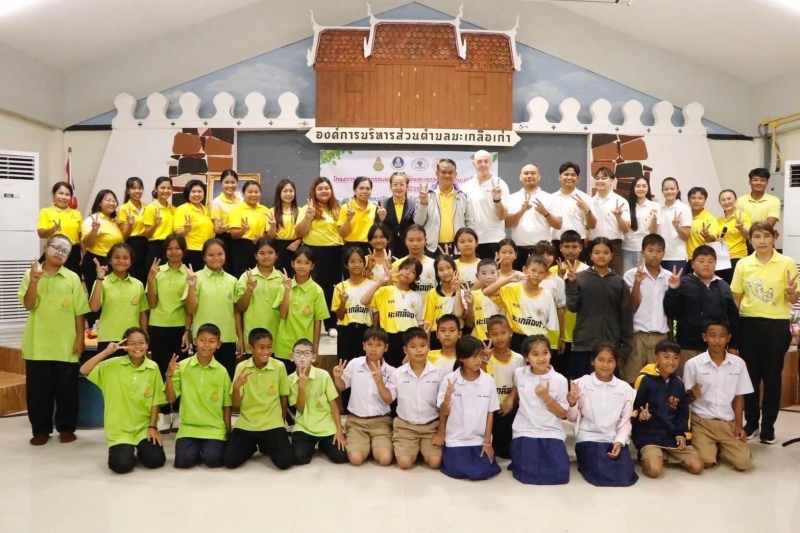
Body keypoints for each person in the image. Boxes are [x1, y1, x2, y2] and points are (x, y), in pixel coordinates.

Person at [731, 222, 798, 444]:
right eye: (757, 236)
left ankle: (768, 427)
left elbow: (793, 299)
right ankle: (752, 423)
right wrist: (735, 331)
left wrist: (791, 292)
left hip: (776, 326)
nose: (762, 241)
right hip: (749, 325)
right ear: (750, 240)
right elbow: (736, 299)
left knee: (772, 378)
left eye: (766, 236)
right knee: (750, 377)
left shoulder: (787, 263)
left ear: (774, 238)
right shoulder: (743, 264)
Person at [19, 235, 89, 445]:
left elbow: (79, 312)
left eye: (65, 251)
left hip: (65, 344)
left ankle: (66, 428)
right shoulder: (31, 274)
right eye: (56, 247)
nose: (60, 253)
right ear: (46, 247)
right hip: (37, 344)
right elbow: (29, 305)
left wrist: (80, 340)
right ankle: (40, 430)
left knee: (67, 391)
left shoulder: (72, 278)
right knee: (38, 392)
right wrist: (34, 281)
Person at [80, 328, 167, 474]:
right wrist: (106, 352)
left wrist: (153, 427)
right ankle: (124, 450)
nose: (137, 347)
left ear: (147, 345)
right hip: (119, 430)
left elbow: (156, 400)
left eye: (141, 343)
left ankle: (138, 449)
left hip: (143, 429)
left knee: (156, 460)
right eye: (132, 343)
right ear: (125, 346)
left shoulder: (153, 367)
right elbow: (84, 370)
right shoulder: (113, 365)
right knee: (121, 466)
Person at [682, 318, 753, 470]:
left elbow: (739, 397)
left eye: (722, 336)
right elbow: (684, 400)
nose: (717, 340)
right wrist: (692, 394)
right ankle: (711, 446)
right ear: (704, 337)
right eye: (712, 335)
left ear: (728, 338)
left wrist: (739, 425)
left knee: (744, 463)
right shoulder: (693, 364)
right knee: (705, 462)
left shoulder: (738, 364)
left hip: (727, 422)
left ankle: (719, 446)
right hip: (702, 422)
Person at [567, 344, 638, 487]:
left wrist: (619, 441)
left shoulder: (625, 388)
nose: (605, 365)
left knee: (625, 475)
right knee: (600, 473)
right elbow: (572, 418)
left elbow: (625, 420)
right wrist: (572, 403)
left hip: (612, 439)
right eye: (601, 360)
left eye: (610, 361)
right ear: (592, 361)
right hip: (588, 439)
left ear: (616, 363)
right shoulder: (581, 383)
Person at [222, 328, 293, 470]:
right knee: (229, 461)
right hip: (247, 424)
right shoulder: (242, 367)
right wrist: (236, 387)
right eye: (261, 347)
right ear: (250, 348)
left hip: (272, 423)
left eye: (269, 347)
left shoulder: (279, 366)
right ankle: (253, 446)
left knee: (285, 462)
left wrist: (281, 422)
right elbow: (236, 404)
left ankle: (265, 444)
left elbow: (284, 396)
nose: (266, 351)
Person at [632, 339, 704, 478]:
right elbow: (634, 408)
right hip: (649, 435)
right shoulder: (644, 380)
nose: (671, 361)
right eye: (666, 357)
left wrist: (680, 433)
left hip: (671, 435)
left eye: (675, 357)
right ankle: (651, 455)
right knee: (654, 471)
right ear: (656, 358)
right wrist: (641, 416)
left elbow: (683, 412)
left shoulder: (679, 384)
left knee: (697, 467)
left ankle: (664, 454)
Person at [663, 245, 741, 373]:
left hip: (717, 348)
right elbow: (671, 311)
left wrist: (733, 345)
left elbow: (733, 318)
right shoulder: (683, 283)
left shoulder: (723, 286)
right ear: (693, 264)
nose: (706, 265)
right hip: (688, 347)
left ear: (716, 264)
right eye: (701, 261)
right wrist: (673, 291)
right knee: (689, 383)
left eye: (710, 261)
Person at [165, 323, 232, 469]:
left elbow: (226, 406)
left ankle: (207, 448)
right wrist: (169, 375)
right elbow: (170, 398)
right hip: (188, 427)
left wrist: (228, 433)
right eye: (202, 340)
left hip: (214, 428)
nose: (206, 345)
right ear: (195, 341)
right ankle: (195, 448)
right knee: (184, 462)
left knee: (212, 460)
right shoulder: (182, 366)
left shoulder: (222, 371)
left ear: (219, 344)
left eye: (212, 341)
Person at [565, 237, 633, 380]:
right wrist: (571, 284)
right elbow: (572, 307)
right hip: (584, 345)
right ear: (590, 255)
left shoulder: (619, 283)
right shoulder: (580, 278)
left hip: (611, 346)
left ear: (612, 255)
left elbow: (626, 316)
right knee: (581, 387)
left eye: (605, 252)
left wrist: (625, 346)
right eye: (597, 252)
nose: (601, 256)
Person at [508, 335, 570, 485]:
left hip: (551, 430)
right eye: (535, 354)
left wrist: (546, 397)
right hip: (525, 430)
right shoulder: (519, 373)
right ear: (526, 358)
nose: (541, 358)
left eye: (545, 353)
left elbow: (563, 414)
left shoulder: (560, 379)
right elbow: (516, 388)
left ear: (550, 354)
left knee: (560, 474)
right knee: (527, 473)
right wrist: (509, 400)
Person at [437, 336, 501, 481]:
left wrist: (487, 443)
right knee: (458, 471)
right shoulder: (449, 379)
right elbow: (444, 412)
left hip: (479, 440)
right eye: (474, 356)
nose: (479, 360)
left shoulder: (488, 381)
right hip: (456, 439)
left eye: (480, 355)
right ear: (461, 358)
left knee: (482, 472)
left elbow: (490, 413)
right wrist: (448, 396)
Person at [146, 234, 192, 433]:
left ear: (184, 251)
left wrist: (187, 331)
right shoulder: (157, 272)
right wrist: (150, 279)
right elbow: (151, 303)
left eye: (177, 248)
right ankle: (163, 414)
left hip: (179, 329)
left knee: (179, 371)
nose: (173, 252)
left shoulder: (189, 274)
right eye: (169, 249)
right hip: (158, 327)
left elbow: (190, 309)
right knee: (160, 371)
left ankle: (179, 413)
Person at [333, 328, 395, 466]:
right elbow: (341, 386)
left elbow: (388, 399)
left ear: (386, 348)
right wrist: (337, 377)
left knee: (385, 459)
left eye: (378, 345)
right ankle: (365, 445)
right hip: (357, 422)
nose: (373, 349)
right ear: (363, 345)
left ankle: (375, 445)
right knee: (356, 459)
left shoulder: (391, 371)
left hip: (381, 422)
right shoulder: (355, 364)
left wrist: (379, 382)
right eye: (369, 344)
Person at [185, 238, 244, 379]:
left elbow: (236, 311)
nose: (216, 258)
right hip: (203, 340)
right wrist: (192, 286)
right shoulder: (195, 278)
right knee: (201, 378)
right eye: (211, 254)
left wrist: (240, 337)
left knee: (226, 378)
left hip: (227, 338)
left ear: (225, 255)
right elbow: (191, 309)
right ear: (204, 257)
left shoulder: (232, 280)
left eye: (220, 254)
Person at [386, 327, 443, 469]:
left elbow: (444, 406)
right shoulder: (398, 373)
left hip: (431, 426)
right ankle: (413, 449)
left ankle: (422, 448)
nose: (419, 350)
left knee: (435, 462)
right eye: (413, 347)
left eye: (423, 346)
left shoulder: (438, 373)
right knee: (404, 463)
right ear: (405, 350)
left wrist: (441, 431)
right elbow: (388, 399)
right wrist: (379, 383)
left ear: (428, 347)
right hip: (406, 426)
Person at [295, 177, 343, 338]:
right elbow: (299, 232)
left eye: (327, 188)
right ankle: (308, 323)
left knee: (332, 289)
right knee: (312, 288)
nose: (324, 191)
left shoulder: (338, 208)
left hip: (336, 252)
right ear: (314, 191)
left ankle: (331, 324)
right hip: (314, 252)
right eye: (320, 188)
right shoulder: (306, 209)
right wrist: (308, 217)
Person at [288, 339, 348, 465]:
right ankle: (311, 444)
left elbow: (333, 404)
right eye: (298, 353)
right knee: (299, 458)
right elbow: (300, 409)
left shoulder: (323, 375)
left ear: (313, 357)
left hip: (326, 424)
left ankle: (323, 444)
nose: (302, 357)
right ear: (292, 357)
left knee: (341, 456)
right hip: (304, 426)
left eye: (306, 353)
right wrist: (301, 387)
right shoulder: (289, 380)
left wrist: (339, 429)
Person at [483, 255, 559, 354]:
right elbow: (486, 292)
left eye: (541, 272)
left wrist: (552, 346)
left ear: (545, 274)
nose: (536, 275)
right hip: (517, 339)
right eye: (533, 270)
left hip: (538, 340)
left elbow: (552, 323)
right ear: (525, 270)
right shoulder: (513, 290)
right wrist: (509, 279)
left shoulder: (547, 295)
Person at [622, 234, 670, 384]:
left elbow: (671, 309)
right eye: (650, 250)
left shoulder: (669, 277)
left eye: (659, 251)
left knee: (658, 380)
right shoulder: (631, 275)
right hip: (638, 335)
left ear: (664, 253)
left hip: (660, 336)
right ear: (643, 252)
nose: (655, 255)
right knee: (632, 378)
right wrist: (637, 283)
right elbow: (631, 306)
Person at [273, 246, 329, 375]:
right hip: (285, 346)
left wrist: (315, 350)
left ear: (312, 266)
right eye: (298, 262)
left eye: (306, 263)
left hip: (305, 348)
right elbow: (283, 314)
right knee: (285, 383)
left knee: (303, 382)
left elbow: (317, 322)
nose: (302, 266)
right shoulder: (284, 286)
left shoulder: (317, 290)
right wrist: (287, 290)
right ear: (292, 264)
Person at [361, 258, 424, 368]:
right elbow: (364, 301)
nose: (407, 273)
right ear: (399, 270)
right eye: (406, 268)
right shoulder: (385, 291)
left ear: (416, 278)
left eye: (413, 272)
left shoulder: (417, 297)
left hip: (409, 341)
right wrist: (381, 281)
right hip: (389, 338)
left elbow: (420, 325)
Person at [89, 243, 148, 355]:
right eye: (116, 257)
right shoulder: (102, 282)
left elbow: (142, 314)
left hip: (132, 340)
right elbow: (94, 308)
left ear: (131, 261)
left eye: (125, 258)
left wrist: (144, 338)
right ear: (110, 260)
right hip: (107, 339)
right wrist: (99, 278)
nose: (121, 261)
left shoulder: (138, 284)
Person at [505, 164, 562, 271]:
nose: (529, 176)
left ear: (539, 177)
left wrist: (545, 213)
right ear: (520, 177)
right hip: (519, 250)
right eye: (526, 173)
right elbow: (508, 224)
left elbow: (558, 225)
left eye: (533, 173)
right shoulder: (511, 198)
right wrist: (522, 211)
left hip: (542, 251)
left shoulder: (550, 198)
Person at [414, 159, 475, 256]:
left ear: (455, 174)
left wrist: (466, 243)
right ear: (437, 173)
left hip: (457, 248)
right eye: (443, 172)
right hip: (432, 248)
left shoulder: (464, 197)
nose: (447, 175)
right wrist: (423, 204)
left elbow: (470, 223)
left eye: (450, 172)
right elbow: (418, 223)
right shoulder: (427, 195)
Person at [549, 230, 589, 376]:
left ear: (581, 247)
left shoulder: (588, 271)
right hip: (558, 333)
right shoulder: (551, 271)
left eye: (574, 246)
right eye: (566, 247)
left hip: (580, 332)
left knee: (578, 376)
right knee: (558, 374)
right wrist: (560, 278)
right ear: (560, 248)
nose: (570, 250)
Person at [484, 315, 524, 459]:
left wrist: (510, 401)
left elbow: (520, 383)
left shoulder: (519, 359)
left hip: (510, 408)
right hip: (490, 409)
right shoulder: (485, 358)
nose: (499, 338)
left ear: (511, 332)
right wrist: (483, 362)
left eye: (503, 333)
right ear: (488, 335)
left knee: (507, 453)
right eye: (494, 334)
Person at [80, 190, 125, 316]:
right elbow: (88, 243)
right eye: (107, 200)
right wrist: (94, 230)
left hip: (112, 262)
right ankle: (94, 326)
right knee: (97, 298)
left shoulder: (114, 221)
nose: (111, 203)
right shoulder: (92, 219)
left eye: (114, 200)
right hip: (96, 262)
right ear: (99, 202)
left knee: (110, 299)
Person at [236, 238, 283, 355]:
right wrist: (249, 289)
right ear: (255, 256)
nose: (266, 256)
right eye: (262, 253)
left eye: (270, 253)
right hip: (252, 336)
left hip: (277, 336)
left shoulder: (283, 279)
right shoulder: (246, 277)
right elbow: (240, 307)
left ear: (276, 255)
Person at [332, 247, 377, 366]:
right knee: (345, 368)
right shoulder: (340, 287)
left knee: (366, 368)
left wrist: (374, 334)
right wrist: (343, 302)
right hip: (346, 332)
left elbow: (375, 313)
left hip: (366, 331)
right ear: (346, 265)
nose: (356, 264)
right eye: (352, 261)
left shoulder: (372, 286)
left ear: (364, 263)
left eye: (360, 261)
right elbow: (340, 317)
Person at [461, 150, 508, 258]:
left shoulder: (500, 184)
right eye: (479, 161)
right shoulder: (466, 186)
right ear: (474, 164)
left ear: (491, 163)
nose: (483, 165)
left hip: (494, 240)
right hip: (472, 241)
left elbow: (502, 216)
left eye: (486, 161)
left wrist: (497, 199)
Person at [589, 167, 630, 274]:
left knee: (615, 279)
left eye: (603, 178)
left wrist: (618, 217)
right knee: (594, 279)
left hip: (614, 246)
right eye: (597, 178)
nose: (600, 181)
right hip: (594, 246)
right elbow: (587, 227)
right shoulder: (589, 202)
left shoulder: (620, 201)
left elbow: (626, 229)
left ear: (612, 180)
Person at [549, 162, 596, 253]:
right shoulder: (551, 198)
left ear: (577, 179)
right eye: (566, 174)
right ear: (559, 177)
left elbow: (592, 225)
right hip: (555, 243)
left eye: (573, 175)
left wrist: (587, 210)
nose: (569, 177)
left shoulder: (585, 198)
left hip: (577, 243)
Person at [37, 182, 82, 274]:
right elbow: (41, 234)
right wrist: (52, 229)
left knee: (71, 279)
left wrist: (84, 256)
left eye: (67, 194)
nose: (64, 197)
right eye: (61, 193)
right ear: (54, 195)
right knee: (44, 276)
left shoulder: (77, 214)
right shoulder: (45, 211)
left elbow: (81, 238)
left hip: (72, 253)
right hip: (54, 250)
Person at [228, 180, 269, 279]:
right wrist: (243, 230)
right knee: (243, 277)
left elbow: (269, 233)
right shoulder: (236, 210)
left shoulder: (265, 210)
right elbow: (233, 235)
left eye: (256, 192)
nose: (253, 195)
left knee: (260, 277)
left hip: (261, 247)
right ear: (243, 194)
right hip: (242, 249)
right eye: (250, 192)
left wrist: (261, 237)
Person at [423, 255, 465, 350]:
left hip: (456, 336)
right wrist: (427, 346)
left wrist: (457, 290)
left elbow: (458, 313)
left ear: (455, 270)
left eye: (448, 268)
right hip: (437, 337)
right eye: (441, 270)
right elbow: (427, 324)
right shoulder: (432, 293)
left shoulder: (462, 293)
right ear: (437, 273)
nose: (445, 272)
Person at [174, 179, 214, 272]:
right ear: (188, 193)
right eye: (193, 192)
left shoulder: (206, 209)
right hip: (191, 252)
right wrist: (186, 230)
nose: (197, 194)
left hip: (206, 251)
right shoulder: (182, 209)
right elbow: (177, 233)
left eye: (200, 191)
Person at [375, 171, 417, 258]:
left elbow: (416, 226)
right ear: (391, 186)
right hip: (388, 246)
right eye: (395, 184)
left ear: (407, 186)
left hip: (408, 247)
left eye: (402, 184)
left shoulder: (413, 204)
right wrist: (381, 219)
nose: (398, 187)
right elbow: (376, 227)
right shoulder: (383, 204)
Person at [622, 176, 659, 273]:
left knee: (644, 277)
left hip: (644, 249)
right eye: (638, 186)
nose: (641, 189)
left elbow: (653, 232)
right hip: (627, 247)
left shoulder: (654, 206)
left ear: (648, 188)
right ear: (633, 188)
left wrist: (654, 218)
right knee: (627, 277)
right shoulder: (626, 204)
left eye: (644, 186)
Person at [654, 177, 691, 273]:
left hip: (677, 257)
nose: (669, 192)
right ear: (662, 191)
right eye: (666, 189)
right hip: (659, 256)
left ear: (677, 190)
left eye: (672, 189)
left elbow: (686, 237)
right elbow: (653, 232)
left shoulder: (684, 208)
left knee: (675, 283)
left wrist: (677, 227)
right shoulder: (657, 209)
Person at [210, 169, 243, 275]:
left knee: (239, 268)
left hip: (240, 237)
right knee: (227, 268)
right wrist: (223, 228)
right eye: (226, 182)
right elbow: (216, 229)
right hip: (224, 239)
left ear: (237, 184)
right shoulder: (217, 202)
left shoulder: (241, 200)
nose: (230, 185)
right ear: (221, 184)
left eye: (233, 182)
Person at [267, 178, 302, 277]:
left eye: (291, 191)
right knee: (279, 276)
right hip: (277, 247)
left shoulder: (300, 211)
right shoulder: (272, 211)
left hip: (295, 247)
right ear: (279, 193)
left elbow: (306, 231)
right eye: (285, 191)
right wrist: (272, 226)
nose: (288, 194)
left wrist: (298, 241)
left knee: (295, 275)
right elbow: (271, 236)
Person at [391, 224, 436, 300]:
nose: (415, 244)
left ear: (425, 240)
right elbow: (392, 292)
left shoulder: (434, 264)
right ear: (405, 241)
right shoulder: (396, 265)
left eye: (419, 240)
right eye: (411, 240)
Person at [717, 189, 752, 285]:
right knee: (722, 287)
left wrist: (741, 228)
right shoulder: (719, 220)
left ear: (735, 200)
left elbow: (747, 236)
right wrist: (717, 239)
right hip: (722, 258)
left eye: (729, 199)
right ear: (720, 203)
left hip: (737, 257)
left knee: (735, 287)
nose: (726, 202)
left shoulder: (743, 216)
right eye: (723, 200)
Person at [464, 259, 505, 342]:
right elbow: (469, 324)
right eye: (484, 273)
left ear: (498, 274)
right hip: (478, 341)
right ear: (477, 276)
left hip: (500, 341)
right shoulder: (472, 295)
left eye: (492, 273)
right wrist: (470, 305)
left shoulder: (505, 294)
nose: (488, 276)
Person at [118, 177, 148, 284]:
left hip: (146, 243)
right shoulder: (124, 208)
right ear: (128, 191)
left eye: (140, 188)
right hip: (131, 244)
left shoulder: (147, 207)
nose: (137, 191)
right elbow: (124, 236)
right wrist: (130, 225)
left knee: (145, 273)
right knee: (134, 273)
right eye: (133, 188)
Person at [337, 176, 377, 258]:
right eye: (361, 188)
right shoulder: (346, 207)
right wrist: (348, 219)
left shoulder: (374, 208)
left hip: (370, 247)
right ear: (354, 190)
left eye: (368, 188)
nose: (364, 191)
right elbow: (342, 234)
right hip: (350, 247)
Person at [143, 177, 176, 269]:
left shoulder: (173, 209)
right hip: (155, 247)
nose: (166, 190)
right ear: (155, 189)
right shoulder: (150, 208)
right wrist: (156, 224)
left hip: (170, 246)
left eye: (169, 188)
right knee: (155, 274)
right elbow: (147, 235)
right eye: (162, 187)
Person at [685, 186, 718, 263]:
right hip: (683, 258)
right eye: (693, 198)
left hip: (701, 259)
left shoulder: (710, 218)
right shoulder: (683, 215)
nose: (696, 201)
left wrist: (707, 235)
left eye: (700, 198)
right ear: (688, 200)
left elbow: (713, 239)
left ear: (705, 200)